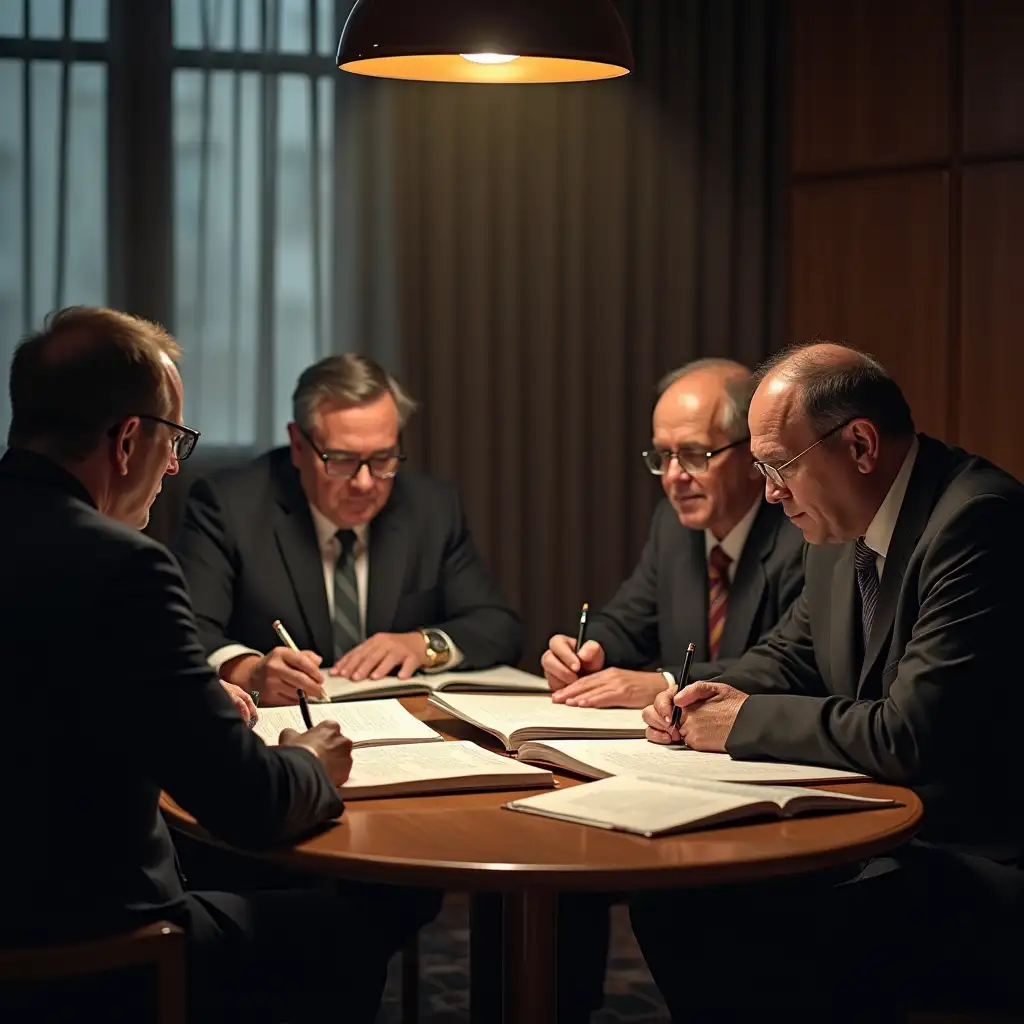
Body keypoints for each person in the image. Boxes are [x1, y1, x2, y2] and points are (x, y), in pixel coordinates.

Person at [0, 307, 431, 1023]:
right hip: (98, 949)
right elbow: (251, 805)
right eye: (173, 440)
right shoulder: (125, 567)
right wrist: (313, 758)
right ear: (129, 439)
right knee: (344, 932)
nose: (173, 465)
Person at [634, 343, 1024, 1021]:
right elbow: (788, 656)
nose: (770, 492)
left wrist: (743, 723)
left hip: (969, 854)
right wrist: (694, 697)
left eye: (779, 466)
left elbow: (909, 736)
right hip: (879, 826)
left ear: (861, 445)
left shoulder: (975, 523)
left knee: (743, 921)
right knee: (674, 896)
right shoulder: (842, 525)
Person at [173, 353, 521, 706]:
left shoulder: (431, 508)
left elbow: (498, 626)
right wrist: (250, 671)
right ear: (297, 444)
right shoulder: (230, 506)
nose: (365, 483)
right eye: (342, 460)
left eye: (383, 458)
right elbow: (184, 632)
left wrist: (425, 645)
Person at [542, 359, 805, 711]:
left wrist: (665, 682)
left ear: (751, 456)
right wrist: (588, 650)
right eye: (665, 456)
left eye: (695, 455)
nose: (673, 476)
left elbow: (788, 663)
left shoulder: (803, 528)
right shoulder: (673, 525)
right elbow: (629, 621)